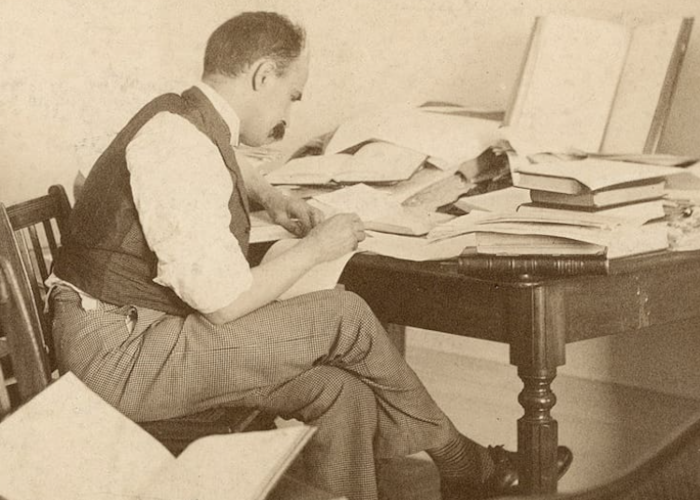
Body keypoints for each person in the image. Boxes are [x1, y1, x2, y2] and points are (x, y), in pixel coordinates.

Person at [48, 11, 571, 500]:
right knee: (341, 312)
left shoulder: (183, 115)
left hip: (137, 334)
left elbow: (224, 158)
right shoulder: (179, 143)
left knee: (337, 389)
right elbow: (223, 303)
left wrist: (273, 197)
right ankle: (460, 460)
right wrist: (317, 248)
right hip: (120, 357)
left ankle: (414, 475)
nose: (289, 111)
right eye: (292, 95)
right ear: (261, 77)